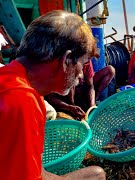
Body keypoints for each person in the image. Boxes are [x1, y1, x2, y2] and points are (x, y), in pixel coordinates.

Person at [0, 10, 105, 180]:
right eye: (83, 64)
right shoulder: (22, 101)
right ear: (67, 60)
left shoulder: (9, 77)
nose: (81, 75)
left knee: (95, 174)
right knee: (97, 175)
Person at [46, 56, 115, 120]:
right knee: (73, 80)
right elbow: (50, 98)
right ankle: (73, 107)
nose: (87, 62)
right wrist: (70, 107)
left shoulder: (86, 60)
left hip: (81, 90)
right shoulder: (61, 65)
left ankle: (89, 104)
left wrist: (92, 105)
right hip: (65, 95)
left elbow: (90, 86)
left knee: (110, 70)